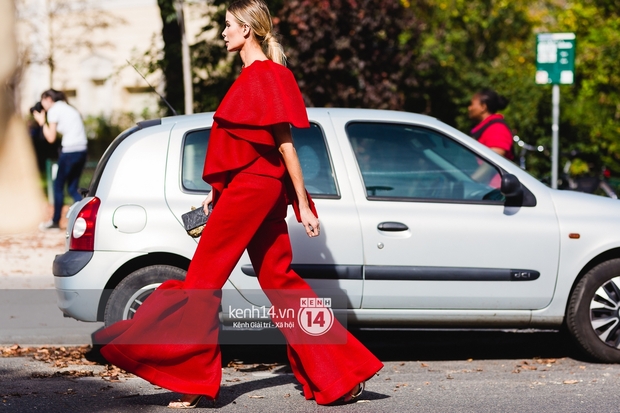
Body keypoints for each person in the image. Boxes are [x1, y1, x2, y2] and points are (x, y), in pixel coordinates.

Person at [93, 0, 383, 408]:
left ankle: (192, 380)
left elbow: (286, 146)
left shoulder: (266, 76)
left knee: (202, 281)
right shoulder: (258, 77)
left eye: (228, 25)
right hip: (253, 190)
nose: (224, 32)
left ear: (247, 29)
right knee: (280, 282)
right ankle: (343, 372)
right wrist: (219, 191)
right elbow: (243, 145)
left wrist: (302, 202)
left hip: (252, 191)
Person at [32, 89, 87, 230]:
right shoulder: (68, 108)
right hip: (82, 150)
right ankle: (86, 218)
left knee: (58, 187)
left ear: (48, 99)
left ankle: (55, 221)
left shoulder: (54, 110)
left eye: (43, 101)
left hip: (70, 151)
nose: (42, 105)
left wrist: (42, 122)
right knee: (72, 188)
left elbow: (50, 138)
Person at [468, 88, 514, 186]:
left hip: (495, 193)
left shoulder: (497, 128)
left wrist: (469, 182)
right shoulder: (485, 127)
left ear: (483, 107)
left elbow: (494, 159)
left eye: (472, 104)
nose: (469, 108)